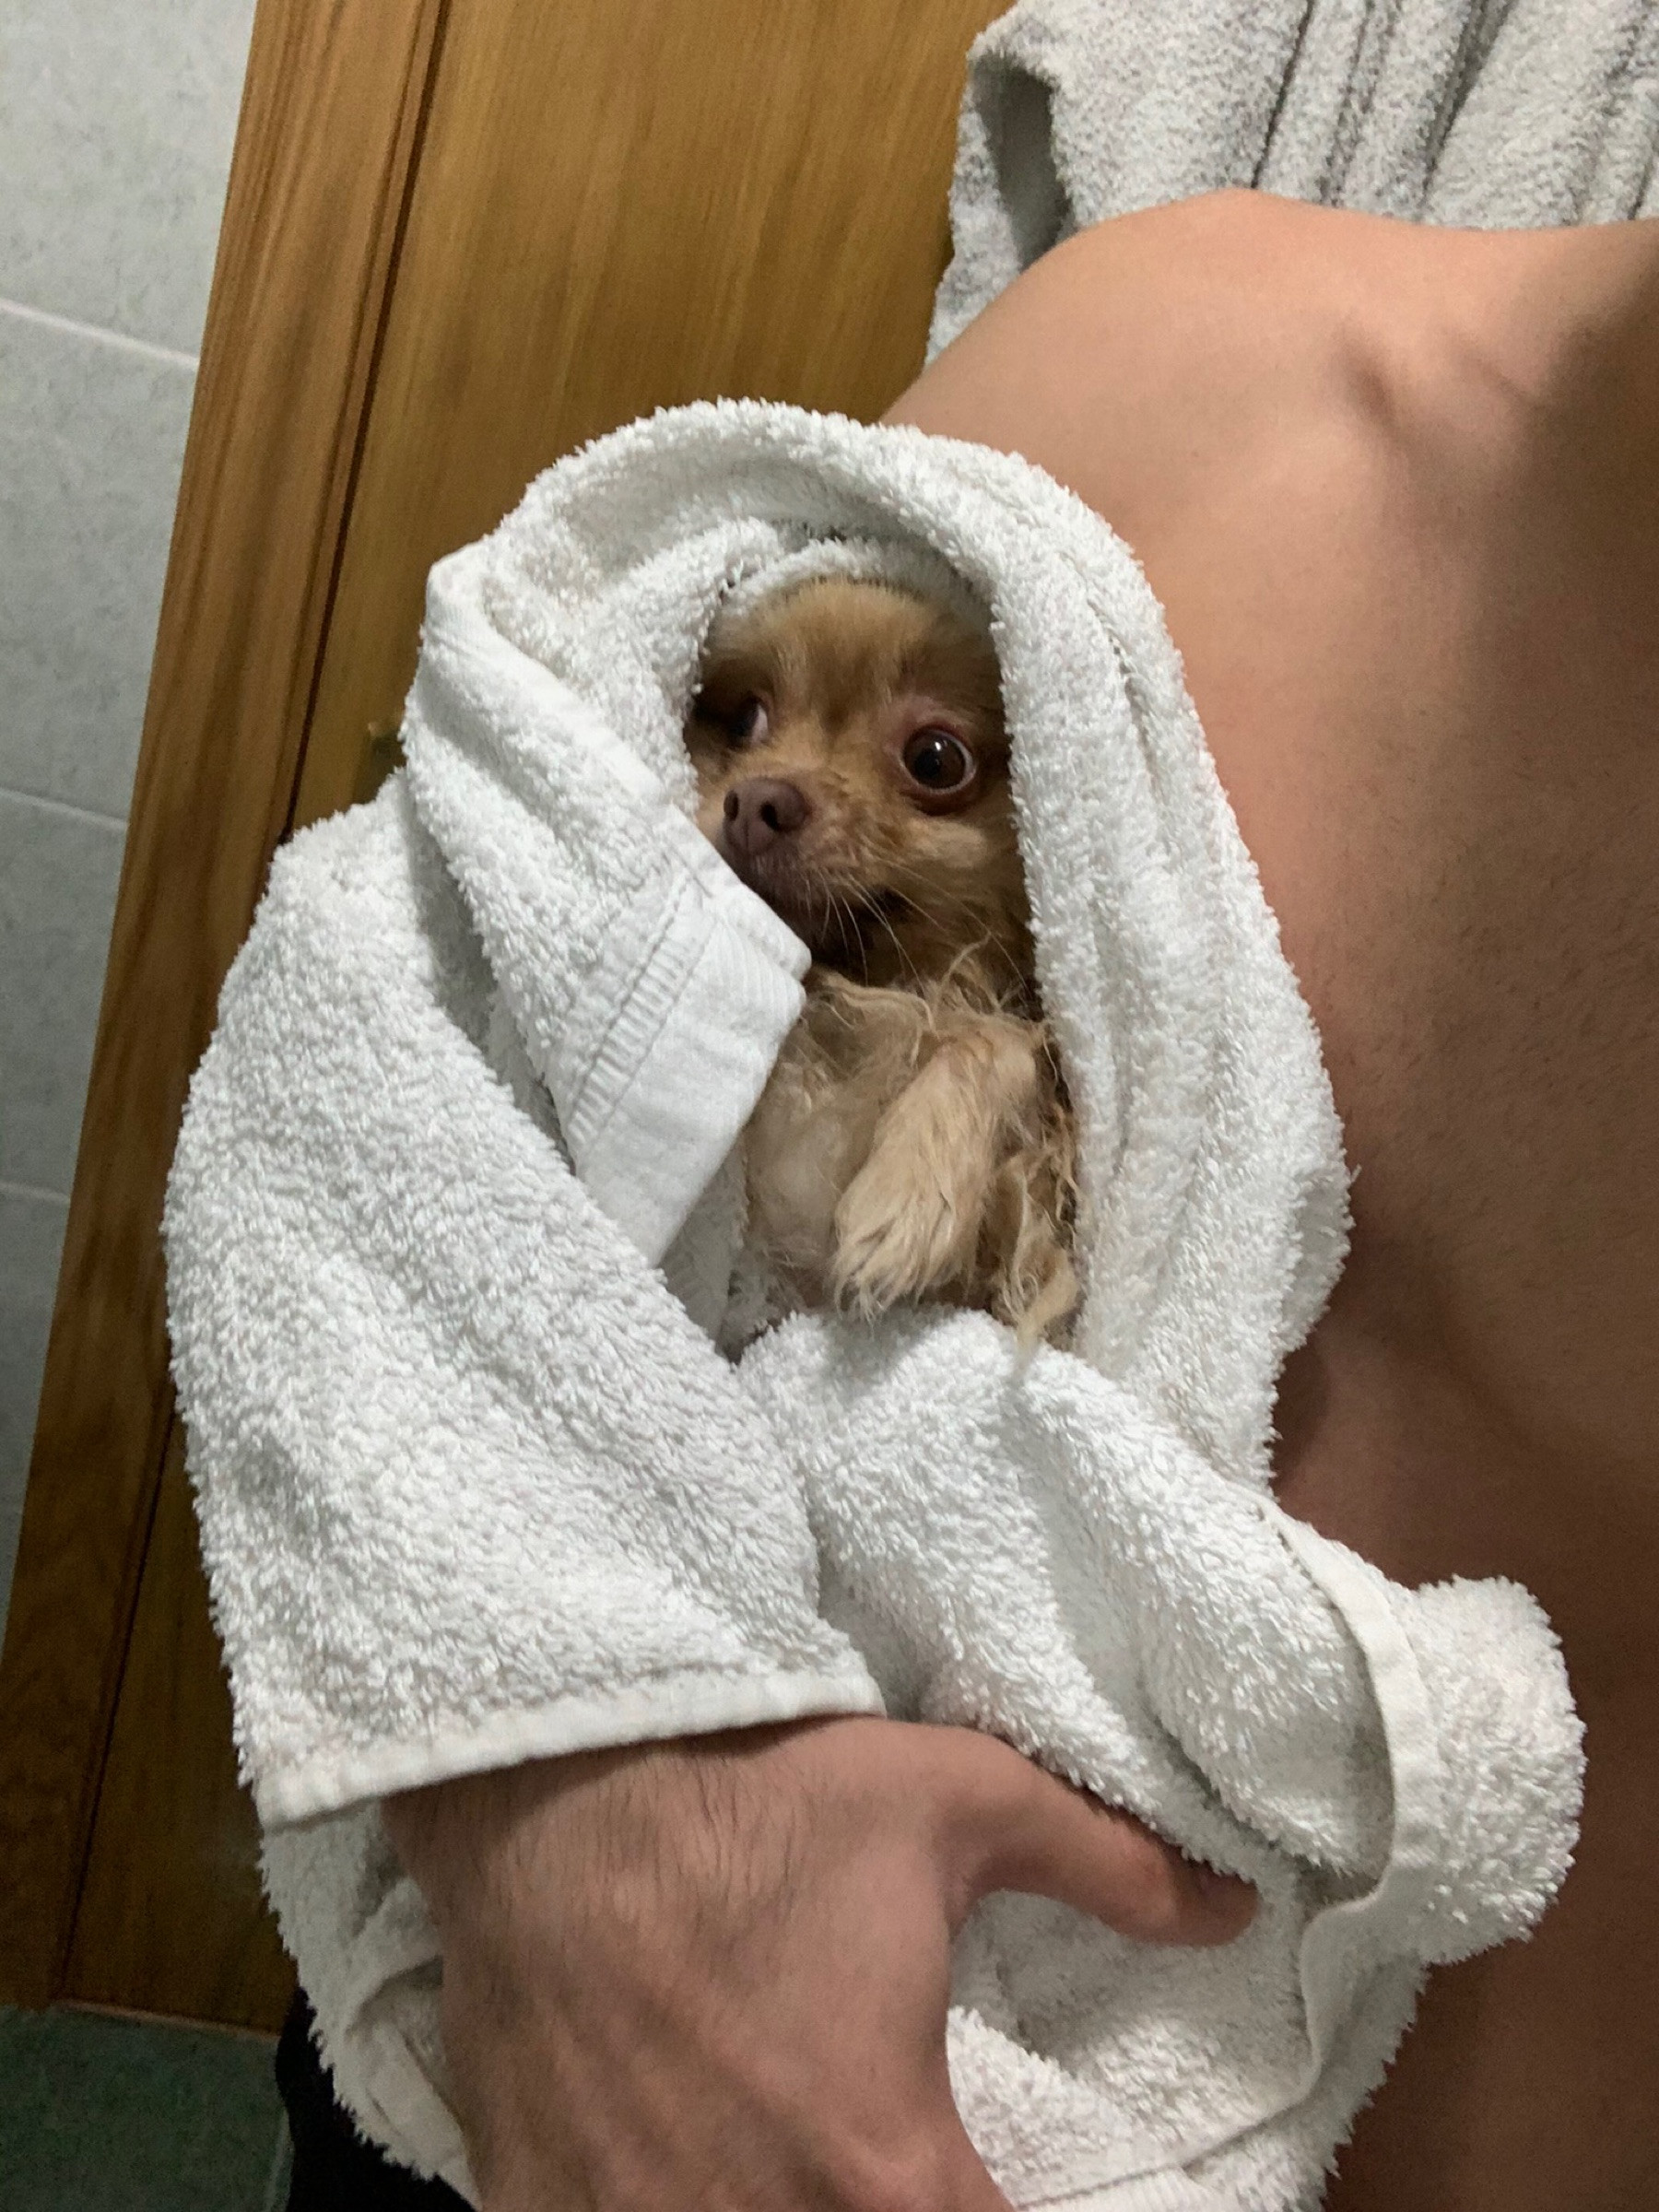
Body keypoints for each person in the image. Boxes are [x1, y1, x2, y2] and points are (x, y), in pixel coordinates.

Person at [328, 191, 1659, 2212]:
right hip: (573, 2033)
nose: (776, 786)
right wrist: (553, 1806)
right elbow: (392, 1050)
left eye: (930, 760)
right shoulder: (1182, 359)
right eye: (741, 726)